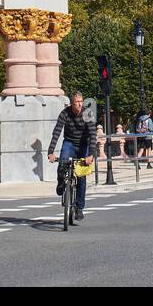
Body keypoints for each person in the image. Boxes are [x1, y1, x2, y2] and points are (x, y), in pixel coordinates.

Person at [48, 91, 95, 222]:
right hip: (69, 142)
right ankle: (61, 182)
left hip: (83, 144)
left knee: (81, 177)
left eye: (81, 101)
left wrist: (91, 154)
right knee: (63, 161)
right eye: (76, 102)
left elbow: (92, 134)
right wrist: (51, 152)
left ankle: (79, 208)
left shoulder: (87, 113)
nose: (79, 104)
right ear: (71, 103)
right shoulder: (65, 113)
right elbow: (57, 132)